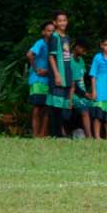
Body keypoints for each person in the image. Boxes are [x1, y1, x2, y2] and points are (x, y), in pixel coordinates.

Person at [46, 10, 74, 138]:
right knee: (55, 106)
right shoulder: (54, 37)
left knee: (63, 106)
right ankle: (55, 134)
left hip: (67, 75)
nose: (63, 23)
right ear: (55, 22)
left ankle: (60, 133)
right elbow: (51, 57)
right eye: (60, 20)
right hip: (58, 76)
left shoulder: (66, 37)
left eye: (64, 20)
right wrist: (57, 74)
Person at [26, 20, 55, 138]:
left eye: (53, 31)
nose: (51, 33)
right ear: (43, 32)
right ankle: (35, 134)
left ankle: (43, 134)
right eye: (48, 31)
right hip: (37, 80)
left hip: (49, 80)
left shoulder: (54, 45)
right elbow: (29, 54)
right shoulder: (40, 43)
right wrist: (36, 69)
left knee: (47, 108)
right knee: (37, 108)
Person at [70, 38, 94, 138]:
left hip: (83, 93)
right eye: (83, 50)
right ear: (77, 47)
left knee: (96, 106)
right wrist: (85, 94)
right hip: (73, 94)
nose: (85, 52)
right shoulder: (69, 60)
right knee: (84, 110)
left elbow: (82, 79)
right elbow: (72, 84)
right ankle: (89, 137)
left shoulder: (81, 61)